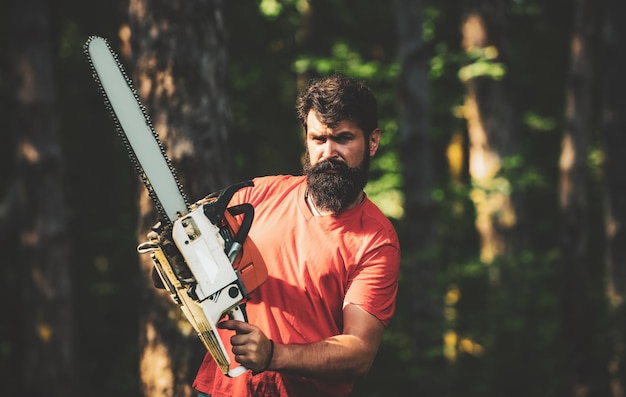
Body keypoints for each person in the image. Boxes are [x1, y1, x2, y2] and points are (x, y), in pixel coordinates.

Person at [192, 73, 401, 397]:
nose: (329, 152)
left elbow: (359, 351)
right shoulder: (256, 196)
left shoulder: (376, 240)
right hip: (221, 389)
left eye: (343, 139)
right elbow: (182, 258)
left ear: (372, 141)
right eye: (318, 139)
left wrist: (274, 354)